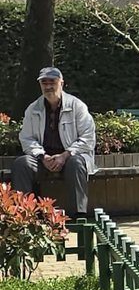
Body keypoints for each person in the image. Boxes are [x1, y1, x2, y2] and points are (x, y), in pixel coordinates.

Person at [12, 66, 96, 218]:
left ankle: (79, 216)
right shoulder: (32, 109)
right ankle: (23, 217)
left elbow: (88, 138)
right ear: (40, 85)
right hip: (43, 159)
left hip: (70, 157)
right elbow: (26, 138)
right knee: (21, 163)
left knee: (76, 163)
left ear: (61, 84)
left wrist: (65, 155)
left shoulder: (78, 106)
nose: (49, 86)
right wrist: (42, 156)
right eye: (44, 83)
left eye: (53, 82)